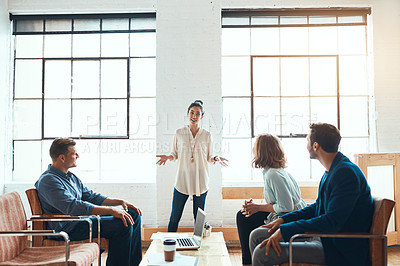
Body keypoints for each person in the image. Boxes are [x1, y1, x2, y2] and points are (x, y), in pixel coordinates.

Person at [249, 123, 374, 266]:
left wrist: (286, 230)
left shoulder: (345, 173)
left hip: (336, 246)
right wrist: (284, 220)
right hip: (324, 238)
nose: (306, 145)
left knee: (261, 253)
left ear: (315, 146)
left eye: (307, 140)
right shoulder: (333, 169)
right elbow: (317, 207)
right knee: (256, 235)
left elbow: (331, 222)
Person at [35, 138, 143, 266]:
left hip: (79, 222)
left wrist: (119, 202)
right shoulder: (48, 180)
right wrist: (111, 210)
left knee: (132, 214)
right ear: (62, 158)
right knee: (122, 223)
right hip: (67, 229)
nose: (78, 156)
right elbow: (72, 206)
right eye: (74, 154)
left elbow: (90, 196)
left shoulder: (71, 177)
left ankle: (133, 264)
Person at [156, 100, 228, 232]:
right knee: (174, 217)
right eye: (192, 113)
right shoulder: (179, 133)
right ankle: (168, 247)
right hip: (182, 180)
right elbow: (174, 154)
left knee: (199, 218)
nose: (194, 116)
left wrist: (217, 158)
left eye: (198, 113)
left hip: (200, 180)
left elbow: (210, 156)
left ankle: (199, 247)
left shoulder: (207, 135)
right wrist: (167, 157)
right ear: (187, 114)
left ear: (202, 116)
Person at [236, 134, 306, 266]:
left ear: (261, 151)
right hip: (289, 213)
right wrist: (254, 206)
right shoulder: (277, 171)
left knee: (243, 218)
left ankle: (248, 262)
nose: (253, 150)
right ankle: (249, 261)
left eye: (255, 148)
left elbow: (286, 207)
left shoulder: (273, 175)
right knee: (243, 215)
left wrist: (258, 207)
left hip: (289, 217)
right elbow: (280, 202)